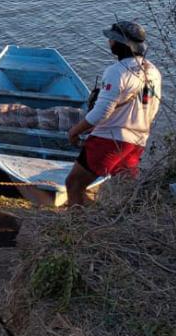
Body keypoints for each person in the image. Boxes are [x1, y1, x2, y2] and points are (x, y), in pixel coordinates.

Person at [64, 20, 163, 206]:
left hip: (109, 139)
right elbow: (154, 109)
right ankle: (106, 224)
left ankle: (74, 229)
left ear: (121, 44)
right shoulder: (153, 72)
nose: (109, 43)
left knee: (74, 183)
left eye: (112, 39)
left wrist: (75, 131)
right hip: (137, 140)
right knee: (126, 193)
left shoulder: (117, 72)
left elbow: (102, 112)